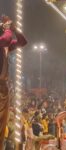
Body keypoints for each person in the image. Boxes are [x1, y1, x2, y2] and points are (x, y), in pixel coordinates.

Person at [0, 15, 27, 149]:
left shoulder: (5, 44)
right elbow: (6, 39)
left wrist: (15, 29)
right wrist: (8, 29)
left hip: (3, 88)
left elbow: (22, 42)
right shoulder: (3, 40)